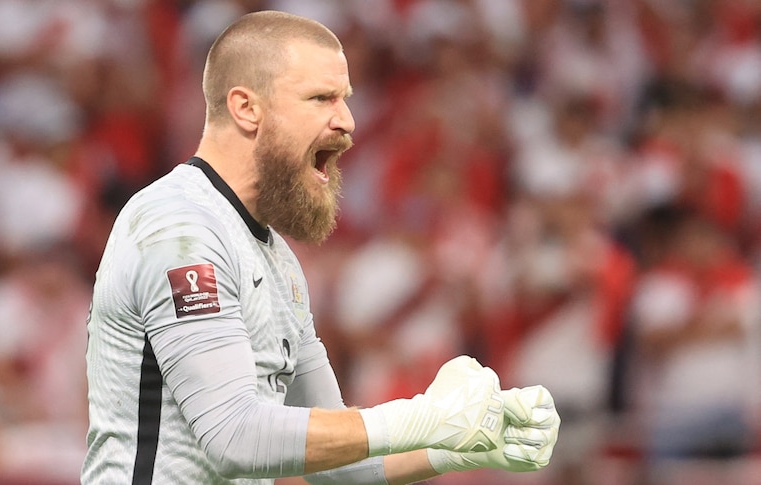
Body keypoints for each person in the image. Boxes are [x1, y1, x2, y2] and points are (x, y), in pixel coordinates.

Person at [82, 10, 560, 485]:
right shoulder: (179, 228)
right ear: (247, 108)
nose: (348, 122)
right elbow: (233, 435)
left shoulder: (279, 261)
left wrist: (458, 447)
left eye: (345, 99)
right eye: (321, 98)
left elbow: (344, 465)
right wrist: (427, 416)